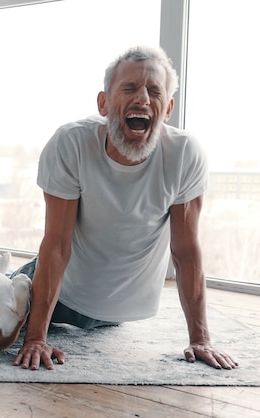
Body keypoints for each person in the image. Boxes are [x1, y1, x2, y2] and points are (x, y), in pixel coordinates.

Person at [13, 46, 238, 371]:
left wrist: (200, 338)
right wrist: (35, 337)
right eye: (130, 88)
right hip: (61, 293)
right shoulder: (71, 144)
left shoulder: (185, 155)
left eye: (154, 91)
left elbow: (186, 251)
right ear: (103, 103)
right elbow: (57, 246)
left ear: (168, 108)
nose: (143, 99)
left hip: (116, 314)